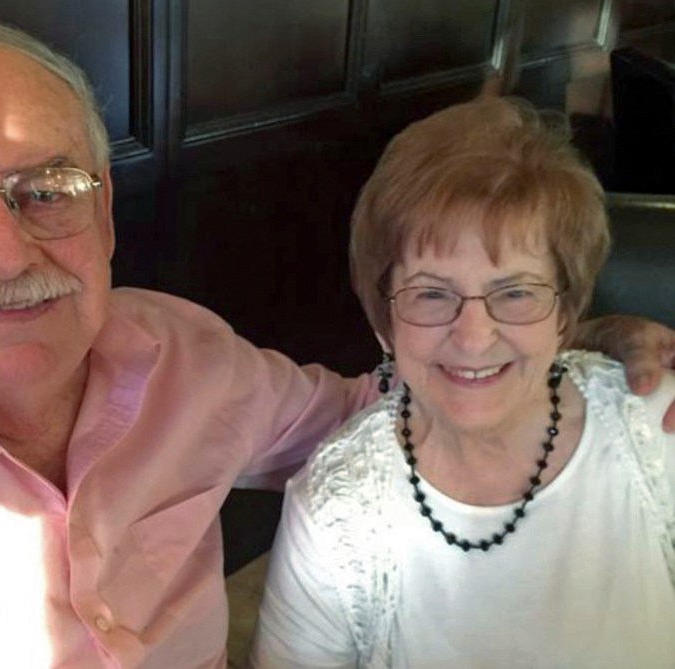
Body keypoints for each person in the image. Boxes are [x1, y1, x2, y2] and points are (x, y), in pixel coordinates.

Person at [0, 17, 670, 669]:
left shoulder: (188, 358)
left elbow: (388, 406)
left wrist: (570, 346)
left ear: (105, 208)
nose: (6, 253)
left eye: (48, 188)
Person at [249, 97, 675, 669]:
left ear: (565, 312)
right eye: (431, 293)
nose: (474, 337)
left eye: (516, 292)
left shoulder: (656, 428)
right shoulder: (335, 512)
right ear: (384, 321)